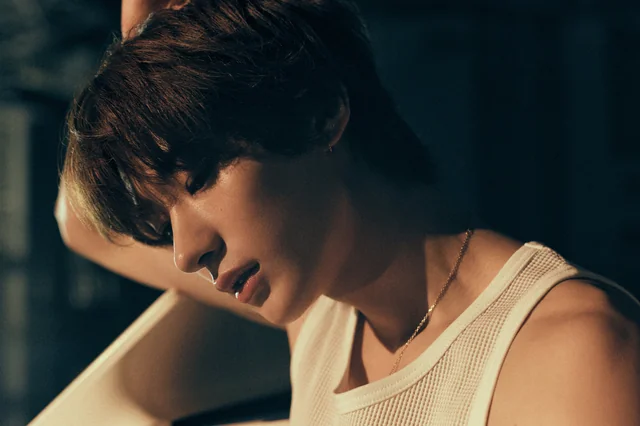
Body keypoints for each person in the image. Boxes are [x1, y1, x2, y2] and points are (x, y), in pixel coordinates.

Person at [55, 0, 640, 424]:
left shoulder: (568, 353)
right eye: (163, 222)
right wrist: (148, 50)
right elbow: (81, 223)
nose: (184, 253)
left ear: (319, 116)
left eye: (200, 176)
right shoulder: (323, 318)